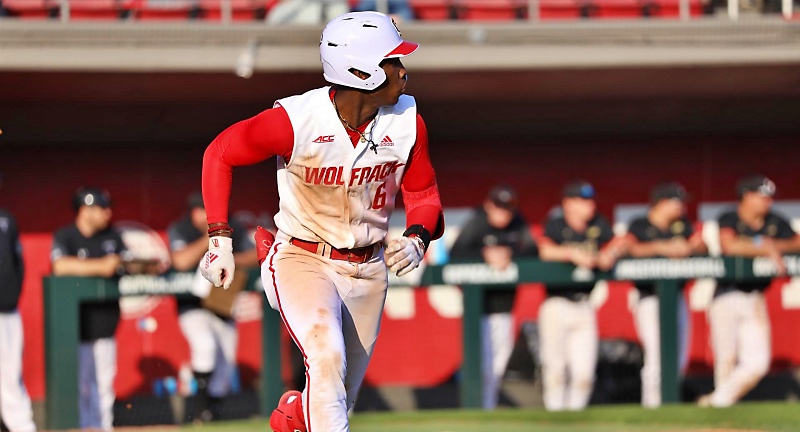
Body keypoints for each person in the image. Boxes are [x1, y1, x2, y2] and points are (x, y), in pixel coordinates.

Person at [198, 11, 444, 432]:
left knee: (333, 402)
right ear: (360, 71)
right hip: (301, 256)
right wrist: (219, 236)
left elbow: (424, 195)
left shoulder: (408, 122)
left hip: (368, 268)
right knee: (326, 357)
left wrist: (420, 236)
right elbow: (220, 152)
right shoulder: (295, 120)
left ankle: (289, 416)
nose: (403, 73)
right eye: (392, 62)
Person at [699, 175, 800, 408]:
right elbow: (729, 245)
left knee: (758, 363)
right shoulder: (730, 216)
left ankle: (716, 401)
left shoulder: (774, 221)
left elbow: (797, 241)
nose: (768, 202)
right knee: (726, 358)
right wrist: (761, 247)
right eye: (762, 197)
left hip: (755, 296)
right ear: (747, 196)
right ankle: (720, 412)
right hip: (726, 293)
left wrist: (774, 245)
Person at [167, 192, 257, 423]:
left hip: (222, 305)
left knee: (225, 365)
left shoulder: (232, 225)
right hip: (192, 305)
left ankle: (212, 418)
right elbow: (180, 261)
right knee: (205, 347)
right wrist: (212, 239)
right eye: (202, 209)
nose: (207, 214)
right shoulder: (182, 228)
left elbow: (256, 254)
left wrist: (226, 255)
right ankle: (196, 410)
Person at [536, 180, 625, 411]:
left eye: (590, 200)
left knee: (584, 372)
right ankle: (556, 418)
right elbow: (545, 250)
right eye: (583, 200)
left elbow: (620, 243)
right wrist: (572, 253)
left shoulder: (598, 223)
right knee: (556, 369)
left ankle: (575, 419)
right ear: (568, 203)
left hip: (585, 304)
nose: (590, 205)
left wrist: (610, 253)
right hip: (557, 303)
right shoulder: (556, 223)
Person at [449, 184, 537, 410]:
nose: (503, 213)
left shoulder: (518, 224)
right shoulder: (477, 222)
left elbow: (532, 251)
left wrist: (509, 253)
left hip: (504, 309)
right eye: (499, 207)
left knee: (497, 368)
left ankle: (487, 409)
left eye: (507, 208)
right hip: (477, 310)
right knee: (482, 366)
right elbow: (455, 254)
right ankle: (476, 409)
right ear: (489, 205)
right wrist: (484, 254)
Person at [51, 187, 128, 430]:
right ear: (85, 210)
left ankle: (102, 426)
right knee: (81, 383)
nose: (108, 213)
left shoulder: (112, 236)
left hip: (105, 321)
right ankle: (84, 426)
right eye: (101, 208)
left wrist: (115, 264)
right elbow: (60, 266)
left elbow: (129, 262)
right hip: (73, 325)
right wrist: (102, 266)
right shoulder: (66, 236)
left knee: (104, 383)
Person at [625, 182, 707, 408]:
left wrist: (687, 247)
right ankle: (652, 408)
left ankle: (670, 407)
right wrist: (662, 247)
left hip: (676, 296)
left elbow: (702, 246)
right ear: (662, 203)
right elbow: (630, 248)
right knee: (656, 356)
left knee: (680, 356)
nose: (681, 206)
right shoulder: (640, 225)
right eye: (677, 201)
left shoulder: (681, 226)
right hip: (649, 296)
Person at [0, 173, 37, 432]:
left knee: (10, 377)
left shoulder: (6, 219)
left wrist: (11, 296)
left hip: (6, 311)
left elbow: (18, 263)